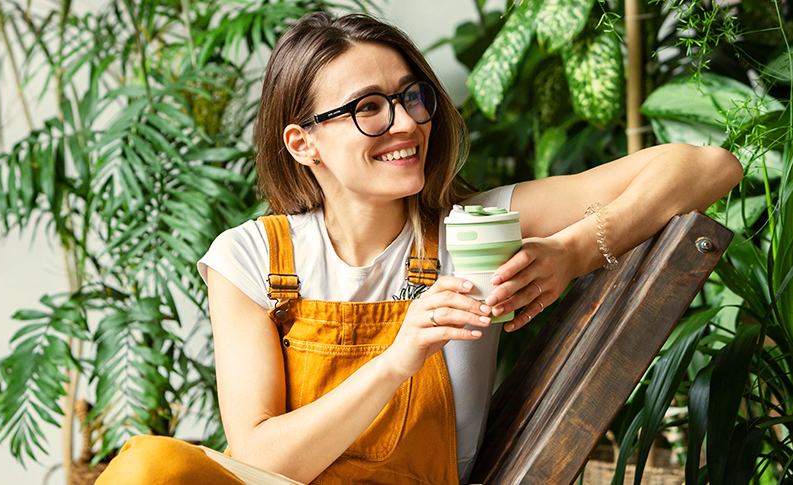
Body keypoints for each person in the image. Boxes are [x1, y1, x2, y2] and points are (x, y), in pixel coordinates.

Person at [94, 11, 743, 485]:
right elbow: (261, 457)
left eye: (411, 96)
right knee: (148, 466)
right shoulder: (251, 258)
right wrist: (396, 359)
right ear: (302, 144)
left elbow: (706, 165)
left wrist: (572, 251)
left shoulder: (473, 229)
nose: (405, 122)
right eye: (367, 108)